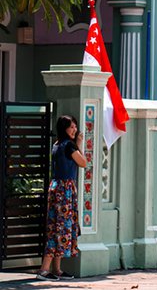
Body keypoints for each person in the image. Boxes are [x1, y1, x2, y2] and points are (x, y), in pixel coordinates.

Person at [37, 116, 87, 281]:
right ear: (64, 128)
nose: (74, 130)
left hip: (57, 188)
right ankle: (44, 270)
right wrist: (79, 143)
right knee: (59, 229)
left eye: (75, 127)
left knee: (57, 227)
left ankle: (57, 269)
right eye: (71, 127)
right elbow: (83, 162)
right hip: (64, 191)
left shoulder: (57, 145)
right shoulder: (69, 146)